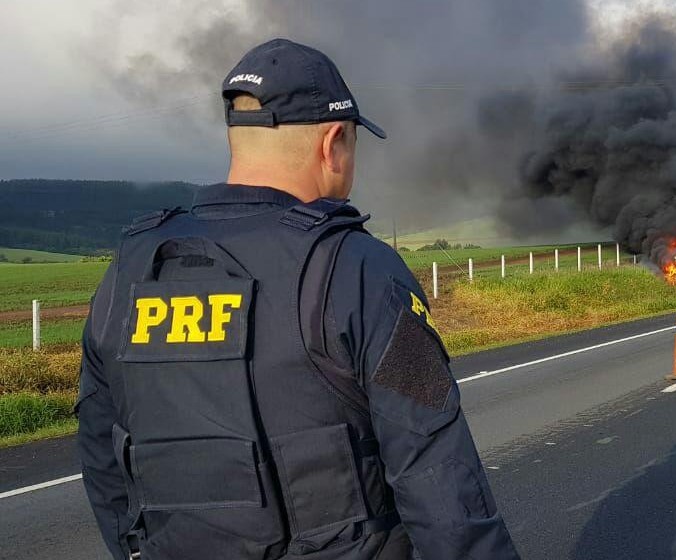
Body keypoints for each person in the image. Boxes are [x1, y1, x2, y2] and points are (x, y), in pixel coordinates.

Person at [76, 38, 520, 560]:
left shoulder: (132, 267)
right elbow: (439, 481)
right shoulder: (357, 267)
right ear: (333, 142)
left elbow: (104, 454)